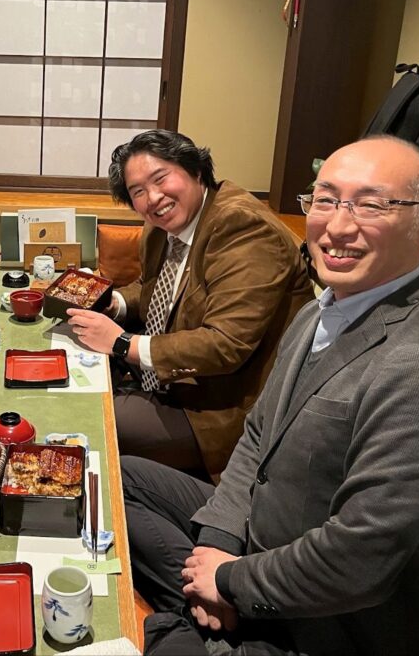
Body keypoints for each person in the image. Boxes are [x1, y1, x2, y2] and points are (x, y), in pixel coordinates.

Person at [123, 135, 419, 656]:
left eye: (372, 204)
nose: (338, 226)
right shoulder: (320, 309)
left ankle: (206, 624)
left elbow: (358, 560)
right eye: (325, 200)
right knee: (119, 480)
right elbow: (256, 438)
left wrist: (231, 582)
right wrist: (218, 547)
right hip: (256, 539)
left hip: (324, 628)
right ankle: (201, 609)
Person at [68, 130, 313, 479]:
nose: (154, 198)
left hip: (216, 411)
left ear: (196, 170)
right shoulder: (163, 226)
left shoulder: (242, 226)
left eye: (160, 178)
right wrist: (116, 304)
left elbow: (225, 344)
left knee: (87, 415)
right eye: (138, 191)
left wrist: (123, 343)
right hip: (167, 381)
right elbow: (155, 290)